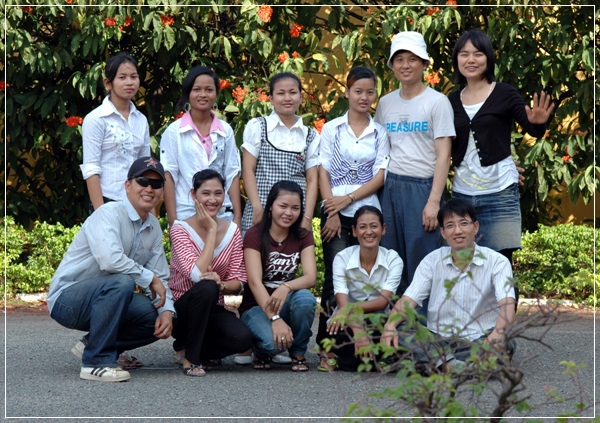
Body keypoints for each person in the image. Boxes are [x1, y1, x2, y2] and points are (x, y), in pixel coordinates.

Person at [47, 157, 175, 382]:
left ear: (162, 191)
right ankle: (95, 362)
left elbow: (161, 275)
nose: (149, 188)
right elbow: (110, 260)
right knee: (122, 281)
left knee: (152, 317)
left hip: (108, 298)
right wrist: (149, 277)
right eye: (142, 181)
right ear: (128, 186)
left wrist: (166, 311)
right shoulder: (109, 213)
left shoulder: (153, 226)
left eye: (156, 184)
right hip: (67, 301)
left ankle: (93, 343)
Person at [448, 29, 554, 264]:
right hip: (462, 195)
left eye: (478, 54)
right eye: (464, 54)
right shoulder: (451, 101)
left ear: (489, 58)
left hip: (500, 194)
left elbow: (533, 130)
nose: (471, 60)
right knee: (463, 269)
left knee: (500, 268)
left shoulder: (504, 92)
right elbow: (445, 147)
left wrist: (538, 122)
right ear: (457, 60)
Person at [382, 198, 516, 369]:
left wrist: (497, 333)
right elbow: (408, 300)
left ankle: (438, 363)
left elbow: (507, 305)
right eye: (450, 225)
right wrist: (390, 325)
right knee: (400, 330)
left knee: (507, 340)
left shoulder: (497, 262)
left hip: (479, 338)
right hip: (438, 339)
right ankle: (461, 366)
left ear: (475, 227)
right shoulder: (432, 260)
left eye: (463, 223)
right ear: (443, 233)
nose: (457, 231)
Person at [316, 66, 390, 367]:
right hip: (335, 212)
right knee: (335, 279)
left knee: (364, 279)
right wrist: (331, 210)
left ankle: (362, 343)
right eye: (358, 90)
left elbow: (380, 175)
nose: (364, 97)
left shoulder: (379, 132)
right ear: (346, 92)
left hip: (366, 212)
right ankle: (327, 347)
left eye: (369, 92)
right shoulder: (331, 128)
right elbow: (323, 169)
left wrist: (347, 199)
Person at [374, 31, 455, 299]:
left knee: (423, 262)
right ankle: (394, 331)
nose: (405, 65)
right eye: (399, 59)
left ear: (424, 64)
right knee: (391, 261)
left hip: (422, 189)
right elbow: (379, 149)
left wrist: (433, 202)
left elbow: (444, 156)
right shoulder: (385, 103)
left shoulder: (437, 102)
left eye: (412, 59)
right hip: (390, 188)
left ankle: (422, 334)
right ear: (392, 65)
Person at [168, 169, 253, 377]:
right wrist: (212, 230)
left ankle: (188, 347)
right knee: (206, 286)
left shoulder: (232, 231)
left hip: (213, 307)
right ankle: (192, 360)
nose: (212, 200)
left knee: (243, 338)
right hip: (182, 311)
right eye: (205, 193)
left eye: (218, 193)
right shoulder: (179, 229)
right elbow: (197, 275)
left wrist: (222, 285)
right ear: (193, 194)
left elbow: (239, 280)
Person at [238, 180, 317, 371]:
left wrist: (286, 286)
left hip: (285, 302)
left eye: (295, 208)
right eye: (283, 206)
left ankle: (297, 353)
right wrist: (275, 319)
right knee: (272, 345)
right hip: (256, 307)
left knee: (306, 299)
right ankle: (261, 348)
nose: (288, 213)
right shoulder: (254, 235)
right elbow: (255, 283)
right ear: (271, 206)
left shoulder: (303, 235)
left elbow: (310, 277)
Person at [320, 206, 402, 372]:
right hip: (346, 321)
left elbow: (382, 302)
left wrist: (348, 309)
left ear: (383, 229)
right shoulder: (342, 258)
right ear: (354, 231)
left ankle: (354, 358)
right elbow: (342, 305)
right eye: (363, 227)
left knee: (381, 325)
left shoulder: (393, 259)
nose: (369, 232)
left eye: (374, 226)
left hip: (377, 319)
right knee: (335, 326)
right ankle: (347, 356)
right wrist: (358, 330)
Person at [160, 65, 242, 228]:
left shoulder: (226, 131)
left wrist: (237, 218)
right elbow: (169, 177)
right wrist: (173, 221)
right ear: (188, 93)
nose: (203, 94)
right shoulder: (174, 132)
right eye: (197, 89)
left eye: (209, 89)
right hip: (186, 213)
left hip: (221, 213)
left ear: (216, 94)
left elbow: (232, 172)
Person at [241, 72, 320, 235]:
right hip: (260, 210)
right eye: (280, 93)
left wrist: (307, 218)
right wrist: (256, 206)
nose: (287, 98)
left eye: (293, 92)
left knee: (288, 259)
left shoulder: (310, 135)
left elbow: (312, 180)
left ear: (300, 97)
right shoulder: (258, 126)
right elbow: (248, 169)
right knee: (255, 257)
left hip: (293, 216)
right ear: (271, 99)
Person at [80, 52, 150, 215]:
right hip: (107, 201)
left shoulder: (141, 120)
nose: (129, 82)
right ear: (108, 83)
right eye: (122, 77)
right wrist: (100, 213)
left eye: (134, 77)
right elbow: (91, 169)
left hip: (136, 204)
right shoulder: (96, 119)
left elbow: (145, 167)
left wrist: (149, 212)